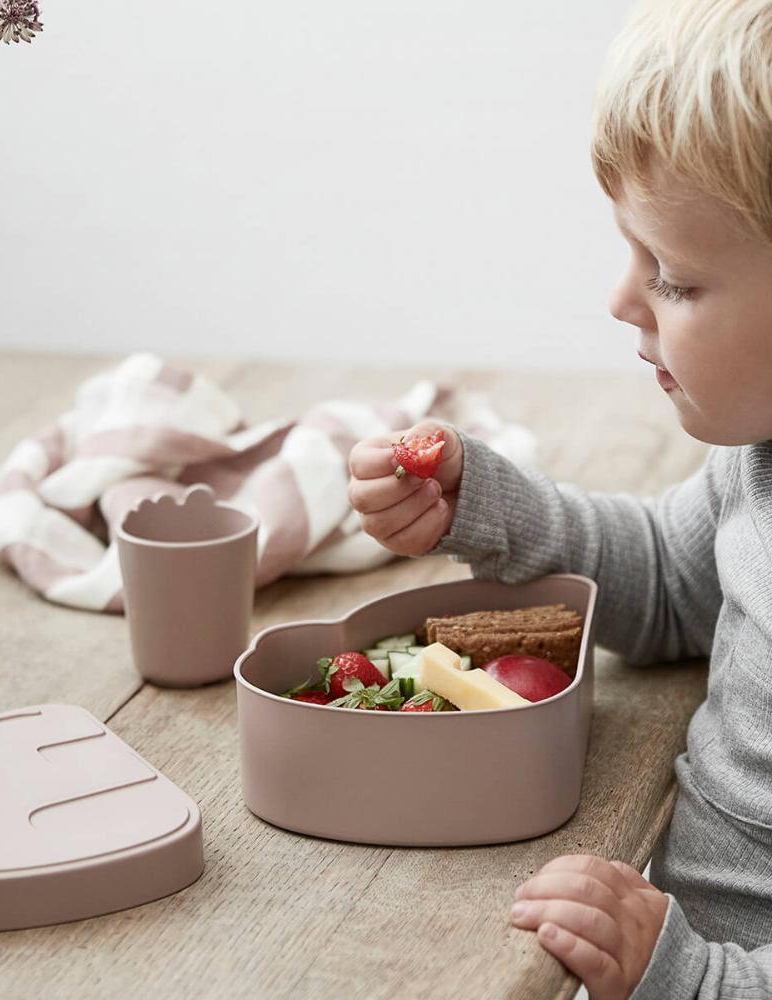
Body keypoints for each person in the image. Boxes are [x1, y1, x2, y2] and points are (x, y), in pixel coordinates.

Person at [347, 1, 772, 997]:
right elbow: (671, 580)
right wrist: (482, 504)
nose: (621, 299)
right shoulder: (757, 462)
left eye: (669, 275)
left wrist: (696, 979)